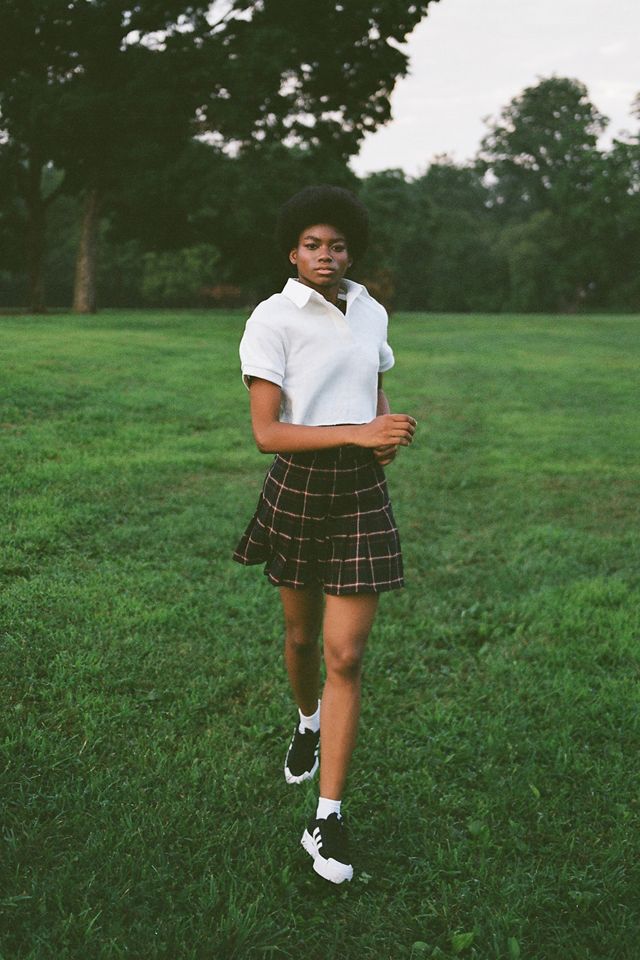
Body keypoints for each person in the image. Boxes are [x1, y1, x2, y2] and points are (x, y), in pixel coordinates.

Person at [232, 185, 417, 884]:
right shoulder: (272, 318)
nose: (326, 255)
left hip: (361, 494)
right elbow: (266, 433)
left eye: (337, 245)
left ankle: (327, 817)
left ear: (351, 252)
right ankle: (307, 720)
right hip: (300, 490)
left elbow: (373, 385)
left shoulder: (370, 309)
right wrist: (358, 432)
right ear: (292, 251)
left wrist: (383, 430)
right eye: (312, 244)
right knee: (303, 638)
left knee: (346, 654)